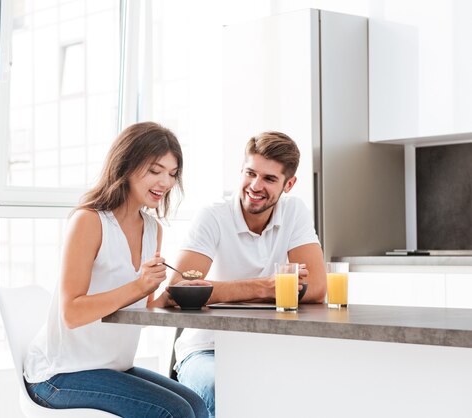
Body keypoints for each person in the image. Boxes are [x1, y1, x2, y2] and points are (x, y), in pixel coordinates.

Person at [23, 122, 209, 418]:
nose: (166, 182)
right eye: (155, 170)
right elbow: (72, 313)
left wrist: (165, 299)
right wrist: (139, 285)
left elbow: (139, 310)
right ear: (126, 165)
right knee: (176, 413)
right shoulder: (89, 221)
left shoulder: (152, 229)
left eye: (172, 174)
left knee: (196, 406)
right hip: (59, 375)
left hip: (111, 366)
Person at [169, 131, 327, 418]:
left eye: (269, 179)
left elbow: (316, 288)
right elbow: (179, 288)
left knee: (314, 387)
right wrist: (267, 287)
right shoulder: (213, 216)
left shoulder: (294, 212)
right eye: (250, 173)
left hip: (269, 347)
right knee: (226, 389)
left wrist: (222, 291)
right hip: (207, 349)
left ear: (288, 184)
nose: (255, 186)